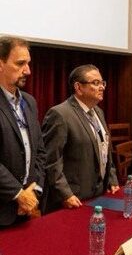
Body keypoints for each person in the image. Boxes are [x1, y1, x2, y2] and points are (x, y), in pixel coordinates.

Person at [41, 65, 119, 212]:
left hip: (98, 194)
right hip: (73, 199)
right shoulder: (60, 114)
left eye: (103, 83)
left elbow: (105, 150)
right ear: (78, 87)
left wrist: (111, 178)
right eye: (95, 83)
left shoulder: (98, 112)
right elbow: (52, 160)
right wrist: (65, 194)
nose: (102, 87)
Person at [0, 36, 44, 226]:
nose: (28, 70)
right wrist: (18, 194)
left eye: (28, 63)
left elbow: (40, 152)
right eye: (20, 64)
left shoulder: (30, 102)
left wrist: (34, 191)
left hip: (26, 209)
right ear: (0, 64)